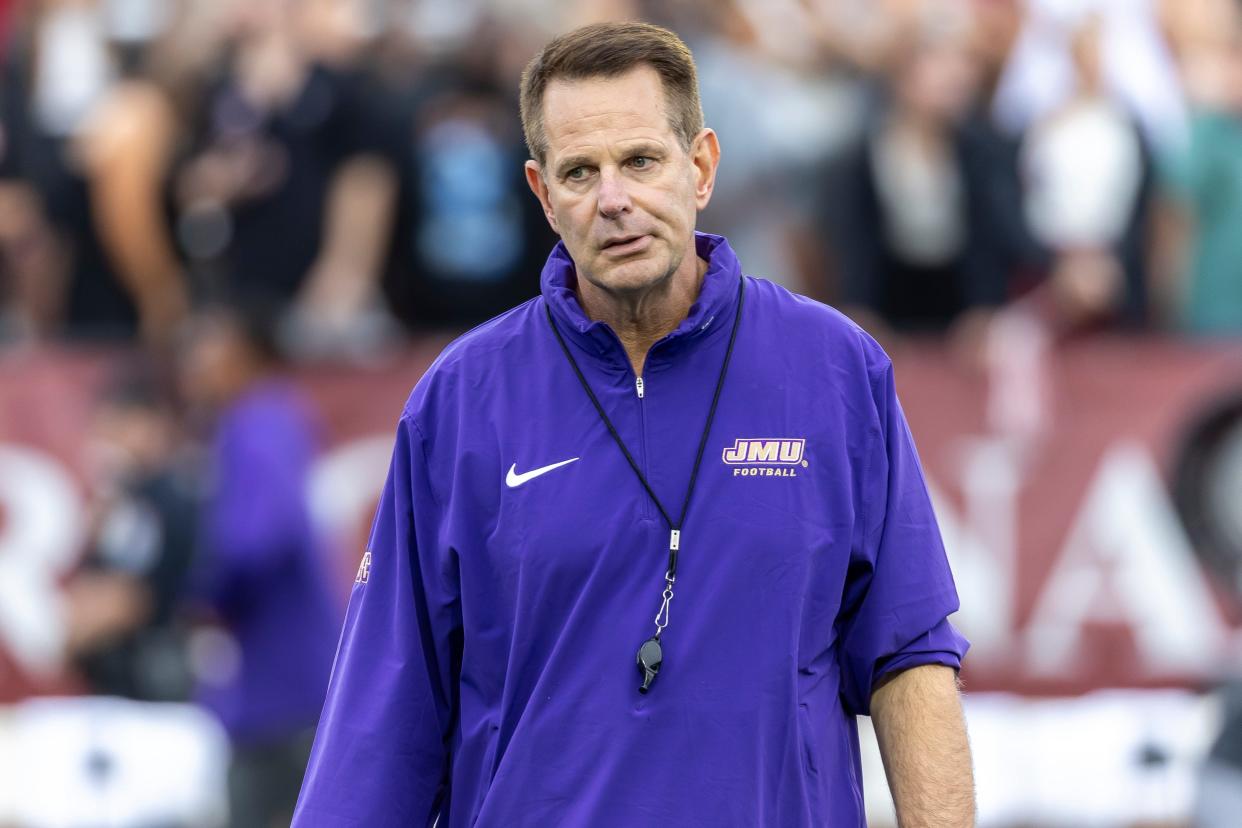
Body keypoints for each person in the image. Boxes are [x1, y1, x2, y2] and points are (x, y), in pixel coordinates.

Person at [294, 21, 973, 827]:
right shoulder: (460, 401)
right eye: (579, 172)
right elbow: (383, 720)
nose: (613, 199)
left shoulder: (836, 371)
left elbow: (909, 662)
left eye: (641, 161)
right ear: (544, 197)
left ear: (702, 167)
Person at [181, 305, 340, 827]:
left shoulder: (256, 420)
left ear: (245, 355)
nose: (195, 368)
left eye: (208, 352)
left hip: (279, 681)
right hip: (294, 674)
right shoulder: (277, 416)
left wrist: (210, 596)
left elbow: (260, 537)